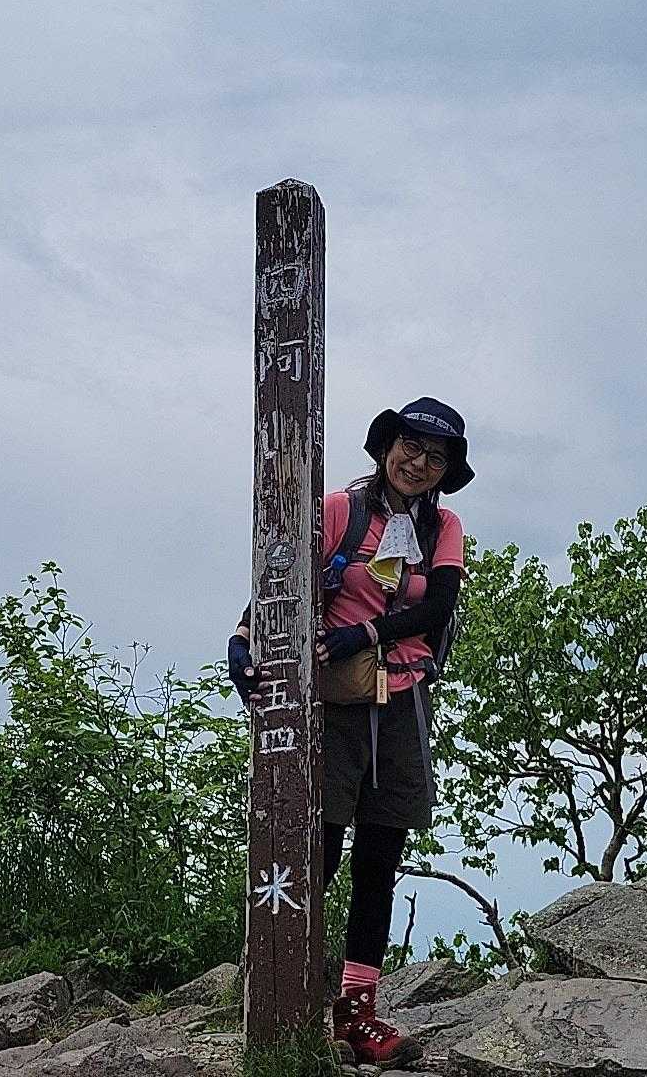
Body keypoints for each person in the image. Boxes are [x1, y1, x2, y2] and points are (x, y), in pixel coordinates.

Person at [227, 396, 474, 1066]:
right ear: (386, 445)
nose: (418, 463)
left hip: (404, 699)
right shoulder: (341, 509)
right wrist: (243, 636)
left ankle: (357, 1010)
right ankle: (287, 992)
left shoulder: (442, 526)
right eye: (410, 446)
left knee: (379, 860)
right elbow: (284, 580)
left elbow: (439, 608)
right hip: (335, 705)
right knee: (323, 851)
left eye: (436, 457)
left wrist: (363, 633)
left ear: (446, 471)